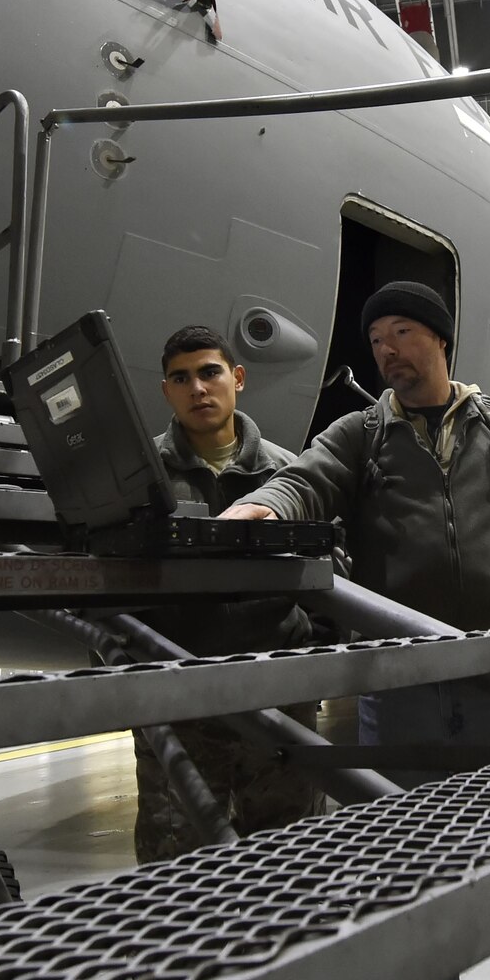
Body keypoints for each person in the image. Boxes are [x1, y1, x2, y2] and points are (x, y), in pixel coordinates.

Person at [222, 280, 490, 980]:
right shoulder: (361, 433)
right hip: (400, 682)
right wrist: (263, 504)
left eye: (401, 333)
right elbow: (308, 478)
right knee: (406, 862)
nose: (388, 351)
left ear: (439, 338)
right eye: (377, 342)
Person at [129, 325, 321, 863]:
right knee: (177, 870)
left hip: (276, 697)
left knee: (291, 860)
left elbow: (334, 573)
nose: (198, 388)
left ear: (237, 379)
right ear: (166, 391)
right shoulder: (141, 481)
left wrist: (311, 661)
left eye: (210, 372)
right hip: (179, 703)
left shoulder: (287, 475)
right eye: (180, 378)